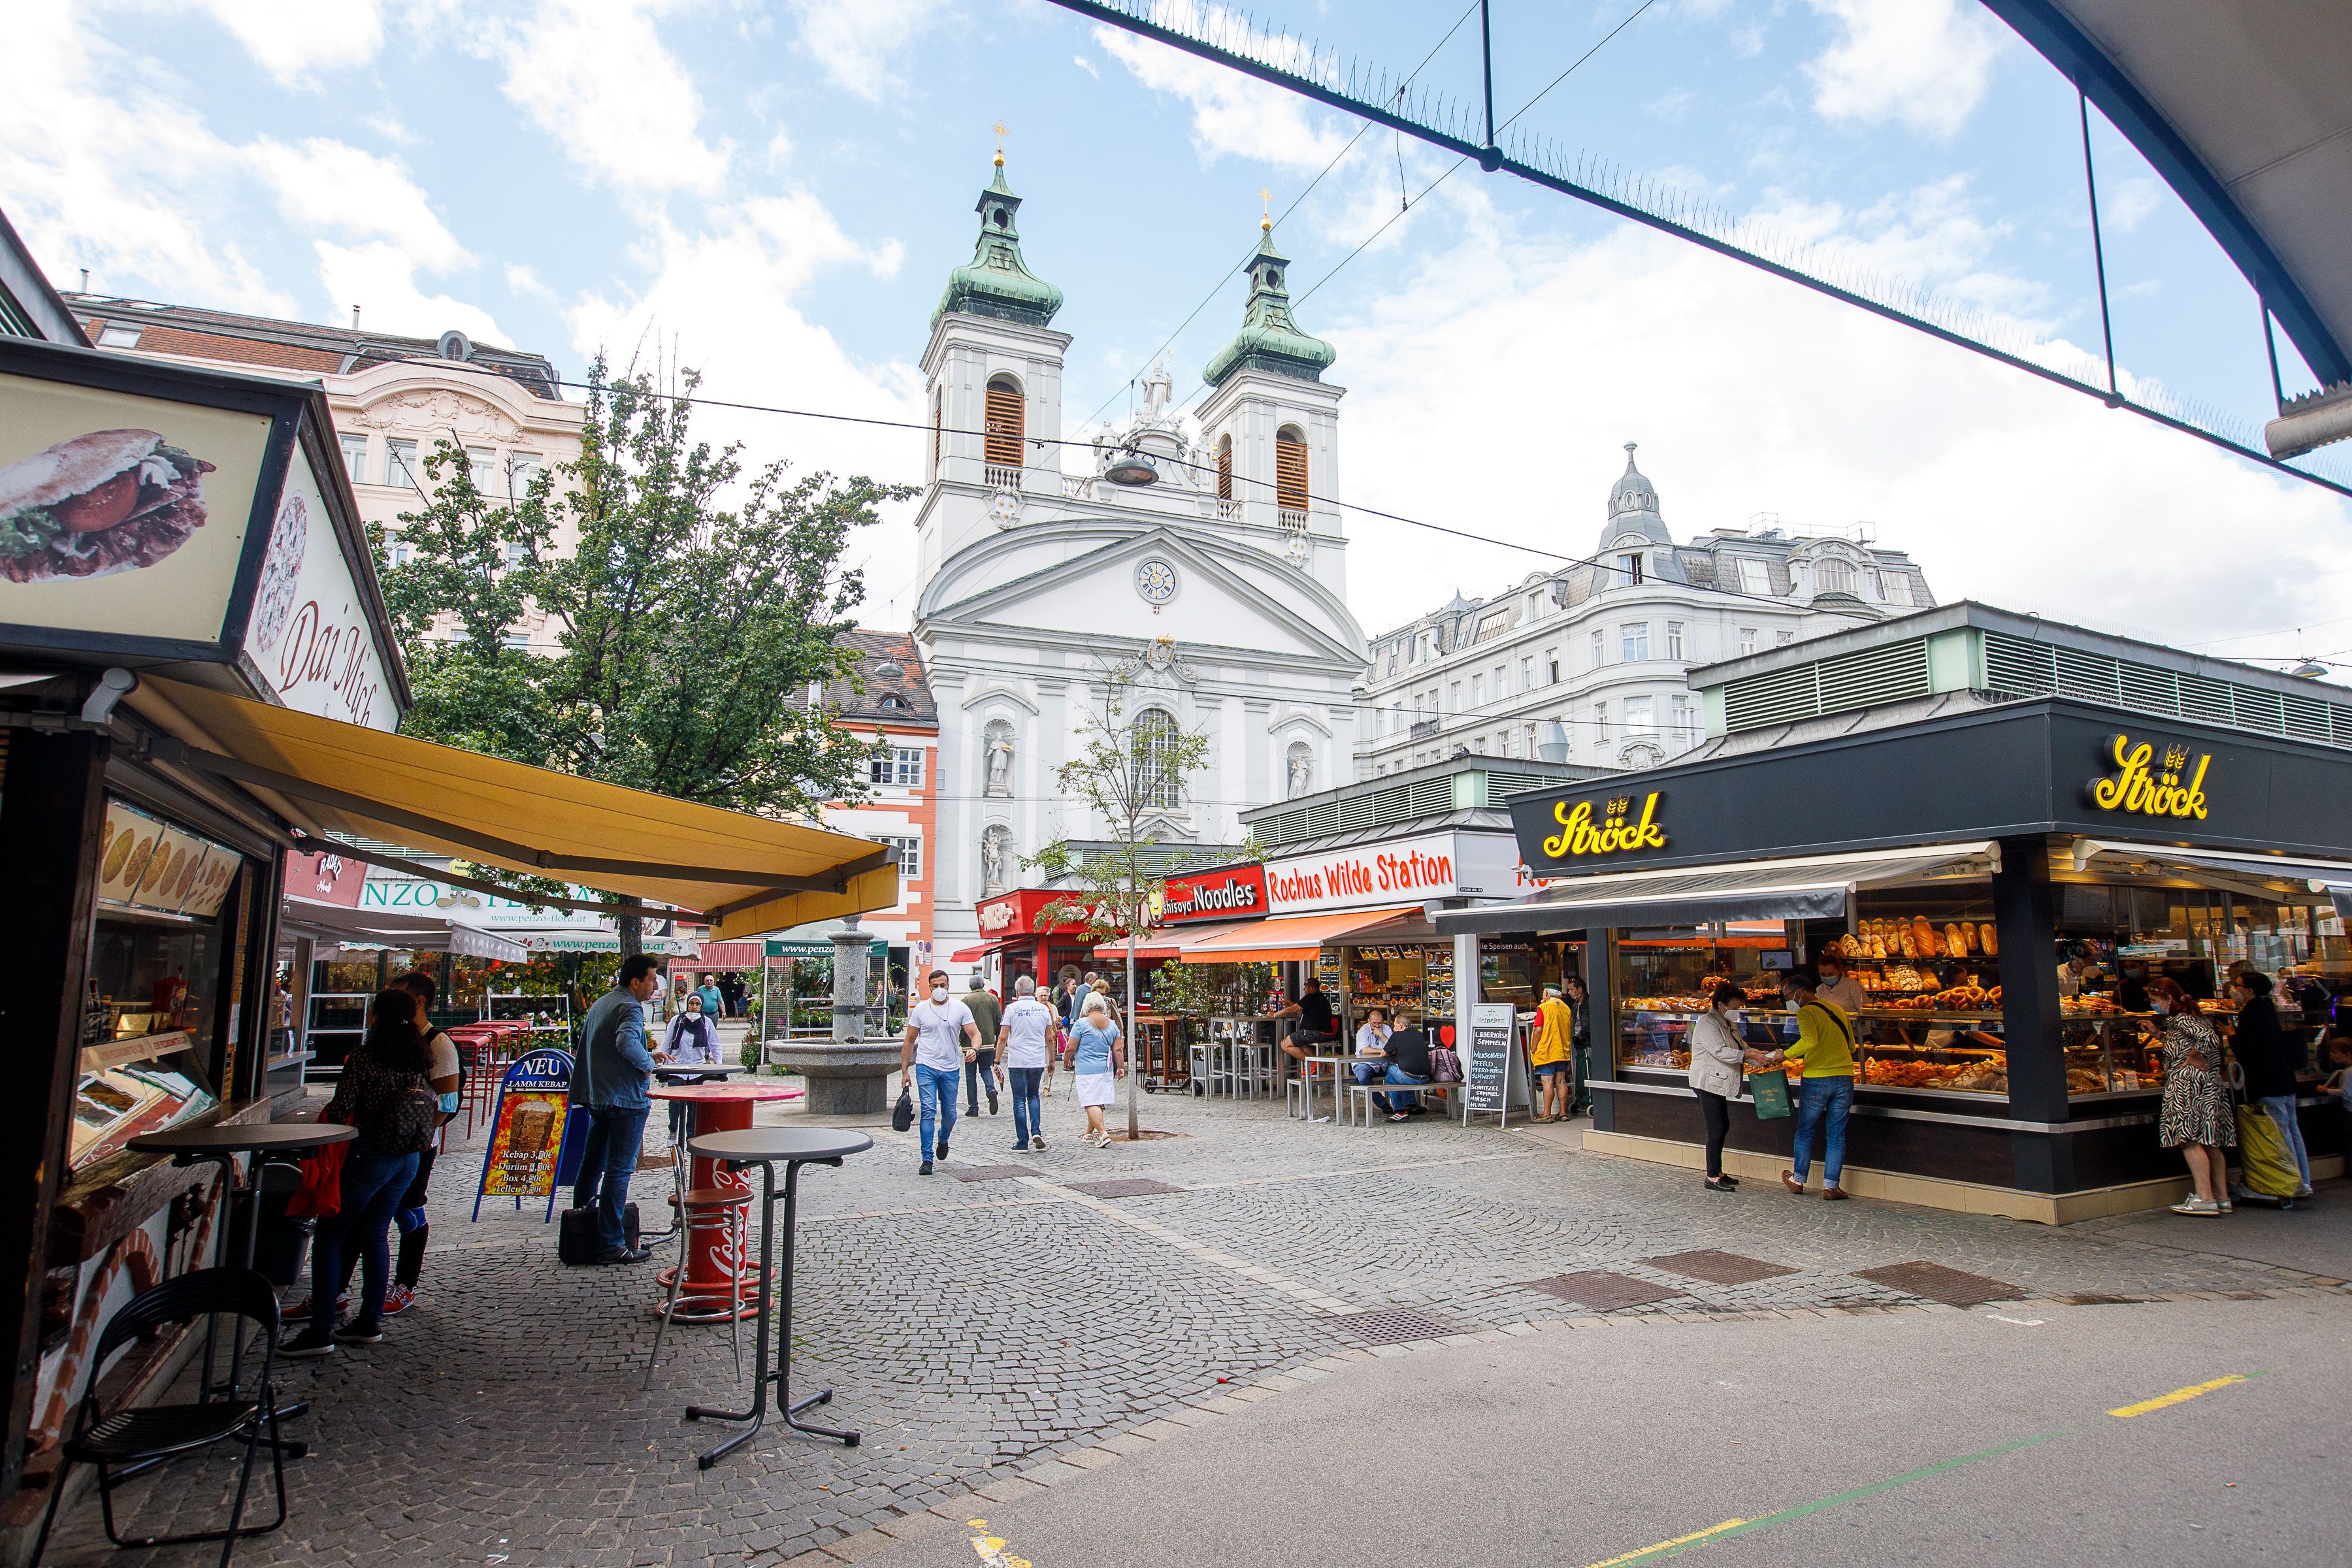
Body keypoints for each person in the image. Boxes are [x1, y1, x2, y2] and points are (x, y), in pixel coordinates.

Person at [282, 990, 436, 1356]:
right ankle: (369, 1322)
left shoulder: (366, 1056)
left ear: (377, 1016)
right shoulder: (418, 1055)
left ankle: (321, 1330)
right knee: (376, 1233)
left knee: (332, 1236)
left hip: (369, 1155)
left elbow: (342, 1108)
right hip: (407, 1157)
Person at [568, 955, 666, 1264]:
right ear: (635, 982)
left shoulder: (602, 1003)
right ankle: (611, 1242)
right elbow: (625, 1043)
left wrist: (649, 1051)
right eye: (652, 979)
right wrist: (648, 1063)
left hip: (599, 1096)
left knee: (592, 1162)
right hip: (625, 1099)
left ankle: (582, 1223)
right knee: (619, 1170)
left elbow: (609, 1045)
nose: (654, 986)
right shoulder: (630, 1006)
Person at [1761, 968, 1857, 1200]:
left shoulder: (1806, 1013)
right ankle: (1831, 1186)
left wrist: (1785, 1055)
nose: (1787, 1001)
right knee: (1836, 1133)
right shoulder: (1837, 1009)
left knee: (1806, 1131)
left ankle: (1799, 1178)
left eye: (1787, 997)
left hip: (1817, 1079)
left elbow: (1809, 1041)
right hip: (1844, 1077)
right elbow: (1852, 1047)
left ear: (1800, 992)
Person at [2148, 976, 2234, 1216]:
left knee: (2188, 1139)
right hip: (2207, 1085)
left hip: (2188, 1084)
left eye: (2156, 1000)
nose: (2155, 1005)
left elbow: (2208, 1039)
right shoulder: (2188, 1019)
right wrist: (2157, 1034)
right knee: (2210, 1141)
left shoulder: (2183, 1019)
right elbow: (2182, 1046)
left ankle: (2204, 1197)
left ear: (2169, 998)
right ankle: (2221, 1196)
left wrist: (2195, 1056)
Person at [2227, 972, 2311, 1200]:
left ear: (2250, 991)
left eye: (2238, 985)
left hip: (2267, 1083)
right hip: (2285, 1081)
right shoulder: (2269, 1008)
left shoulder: (2251, 1013)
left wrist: (2232, 1036)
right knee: (2292, 1131)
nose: (2234, 989)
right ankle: (2303, 1179)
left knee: (2279, 1134)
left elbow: (2251, 1050)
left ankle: (2290, 1182)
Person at [1688, 985, 1770, 1194]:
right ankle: (1712, 1175)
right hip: (1707, 1082)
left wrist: (1759, 1055)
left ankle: (1718, 1171)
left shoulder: (1728, 1021)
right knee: (1716, 1128)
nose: (1739, 1009)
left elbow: (1740, 1046)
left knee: (1723, 1125)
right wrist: (1749, 1056)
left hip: (1718, 1081)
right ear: (1722, 1005)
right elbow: (1720, 1051)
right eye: (1736, 1005)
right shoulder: (1707, 1023)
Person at [901, 969, 980, 1175]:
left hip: (951, 1068)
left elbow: (975, 1033)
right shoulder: (920, 1010)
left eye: (942, 985)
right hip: (926, 1066)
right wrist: (904, 1071)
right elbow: (909, 1041)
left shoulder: (959, 1008)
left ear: (948, 986)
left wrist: (975, 1049)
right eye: (935, 986)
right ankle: (927, 1159)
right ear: (930, 987)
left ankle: (943, 1138)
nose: (939, 989)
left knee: (950, 1114)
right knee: (928, 1111)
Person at [661, 990, 726, 1145]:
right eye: (692, 1003)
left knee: (693, 1104)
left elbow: (714, 1044)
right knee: (675, 1103)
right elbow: (667, 1042)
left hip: (696, 1069)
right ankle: (673, 1130)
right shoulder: (677, 1021)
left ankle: (691, 1136)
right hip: (677, 1067)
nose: (694, 1007)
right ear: (688, 1004)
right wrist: (662, 1066)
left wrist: (720, 1066)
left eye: (697, 1004)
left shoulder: (706, 1022)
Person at [1000, 975, 1055, 1152]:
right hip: (1037, 1059)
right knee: (1033, 1096)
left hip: (1017, 1060)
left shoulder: (1011, 1009)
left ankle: (1022, 1141)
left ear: (1017, 991)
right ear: (1033, 991)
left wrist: (996, 1059)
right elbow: (1050, 1038)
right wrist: (1052, 1060)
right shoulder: (1043, 1010)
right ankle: (1036, 1131)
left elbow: (1002, 1037)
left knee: (1018, 1100)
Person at [1070, 995, 1126, 1148]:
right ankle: (1089, 1133)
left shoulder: (1081, 1025)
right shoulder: (1113, 1025)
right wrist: (1121, 1067)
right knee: (1097, 1101)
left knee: (1089, 1102)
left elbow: (1071, 1047)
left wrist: (1067, 1059)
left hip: (1086, 1070)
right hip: (1105, 1069)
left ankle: (1103, 1133)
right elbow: (1118, 1049)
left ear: (1086, 1005)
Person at [1528, 986, 1575, 1122]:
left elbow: (1538, 1030)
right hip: (1562, 1050)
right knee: (1561, 1081)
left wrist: (1533, 1048)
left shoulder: (1544, 1007)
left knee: (1547, 1081)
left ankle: (1546, 1114)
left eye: (1543, 992)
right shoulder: (1566, 1008)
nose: (1543, 995)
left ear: (1548, 993)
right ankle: (1563, 1113)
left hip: (1547, 1050)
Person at [1378, 1015, 1434, 1122]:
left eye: (1395, 1026)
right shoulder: (1419, 1034)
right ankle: (1410, 1105)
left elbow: (1383, 1054)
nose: (1393, 1029)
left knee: (1390, 1073)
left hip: (1411, 1078)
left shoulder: (1397, 1036)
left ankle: (1400, 1112)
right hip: (1426, 1078)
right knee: (1397, 1075)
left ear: (1401, 1025)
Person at [1274, 976, 1338, 1068]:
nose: (1304, 989)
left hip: (1314, 1033)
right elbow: (1300, 1007)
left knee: (1284, 1044)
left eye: (1306, 986)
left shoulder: (1310, 998)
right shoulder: (1321, 998)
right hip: (1326, 1033)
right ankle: (1316, 1064)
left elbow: (1293, 1010)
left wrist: (1275, 1015)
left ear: (1311, 988)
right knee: (1303, 1044)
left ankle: (1312, 1063)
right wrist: (1289, 1003)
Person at [963, 973, 1004, 1117]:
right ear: (983, 985)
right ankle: (990, 1089)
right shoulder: (992, 999)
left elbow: (961, 1023)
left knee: (970, 1075)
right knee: (986, 1069)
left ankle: (973, 1108)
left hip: (970, 1045)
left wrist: (961, 1040)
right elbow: (1000, 1021)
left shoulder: (966, 1000)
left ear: (970, 986)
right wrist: (998, 1039)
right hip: (988, 1042)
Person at [1563, 975, 1594, 1116]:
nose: (1569, 993)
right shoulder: (1575, 1005)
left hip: (1586, 1041)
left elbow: (1590, 1023)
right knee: (1579, 1069)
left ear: (1579, 990)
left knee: (1587, 1067)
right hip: (1577, 1041)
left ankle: (1589, 1097)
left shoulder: (1589, 1004)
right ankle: (1580, 1097)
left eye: (1571, 990)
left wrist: (1582, 1035)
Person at [1351, 1005, 1393, 1113]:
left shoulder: (1386, 1029)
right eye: (1374, 1023)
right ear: (1369, 1021)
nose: (1377, 1026)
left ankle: (1407, 1105)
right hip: (1365, 1064)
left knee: (1399, 1073)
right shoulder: (1363, 1031)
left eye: (1380, 1023)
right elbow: (1365, 1050)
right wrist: (1383, 1051)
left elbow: (1393, 1047)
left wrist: (1382, 1035)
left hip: (1383, 1064)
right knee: (1364, 1077)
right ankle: (1383, 1104)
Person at [1814, 952, 1867, 1017]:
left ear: (1839, 970)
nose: (1827, 977)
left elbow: (1866, 1011)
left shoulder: (1854, 986)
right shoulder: (1820, 990)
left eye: (1831, 974)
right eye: (1823, 974)